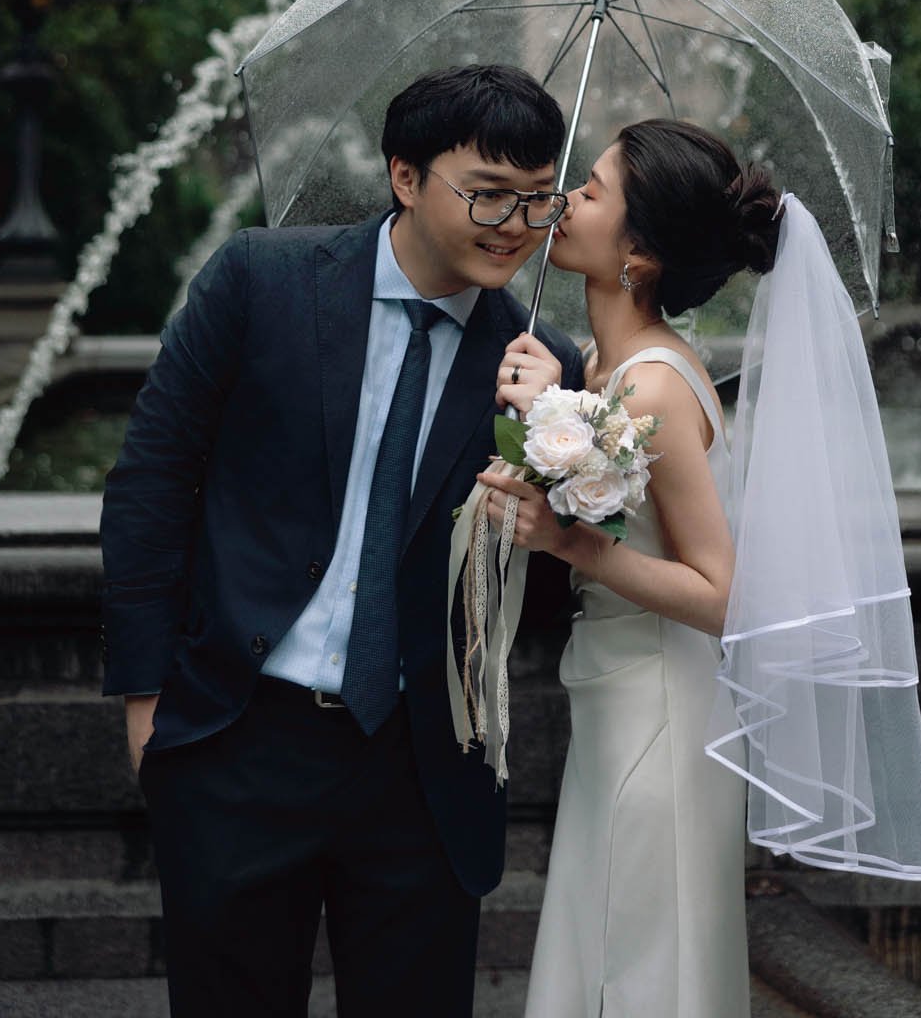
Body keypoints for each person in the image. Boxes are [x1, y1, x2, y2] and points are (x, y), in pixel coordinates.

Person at [100, 64, 584, 1018]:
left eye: (537, 201)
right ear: (405, 178)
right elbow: (152, 482)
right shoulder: (262, 279)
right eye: (485, 194)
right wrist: (145, 694)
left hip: (420, 762)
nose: (513, 226)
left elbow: (548, 561)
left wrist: (554, 440)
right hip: (240, 734)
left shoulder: (544, 363)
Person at [478, 119, 785, 1018]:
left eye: (594, 190)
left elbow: (724, 596)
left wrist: (573, 543)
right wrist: (558, 402)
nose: (565, 199)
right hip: (615, 697)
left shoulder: (651, 385)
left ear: (639, 254)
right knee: (607, 937)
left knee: (642, 954)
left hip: (661, 705)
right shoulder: (606, 368)